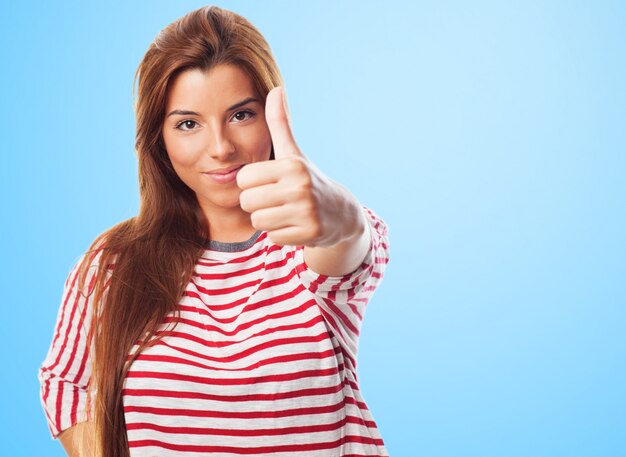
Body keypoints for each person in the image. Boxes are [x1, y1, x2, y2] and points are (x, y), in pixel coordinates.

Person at [38, 5, 391, 457]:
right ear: (158, 139)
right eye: (188, 124)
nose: (221, 148)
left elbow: (350, 242)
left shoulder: (310, 240)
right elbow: (67, 384)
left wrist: (341, 216)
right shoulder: (113, 263)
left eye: (241, 115)